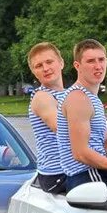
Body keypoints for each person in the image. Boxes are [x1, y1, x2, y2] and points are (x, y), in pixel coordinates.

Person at [57, 39, 107, 196]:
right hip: (87, 178)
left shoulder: (92, 99)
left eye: (101, 59)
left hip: (99, 173)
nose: (98, 66)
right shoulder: (78, 98)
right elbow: (80, 153)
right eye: (91, 61)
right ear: (77, 66)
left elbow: (105, 146)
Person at [27, 42, 67, 194]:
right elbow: (65, 131)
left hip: (73, 169)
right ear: (34, 72)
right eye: (39, 66)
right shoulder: (42, 97)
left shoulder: (70, 95)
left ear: (61, 63)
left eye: (49, 62)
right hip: (57, 174)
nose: (46, 68)